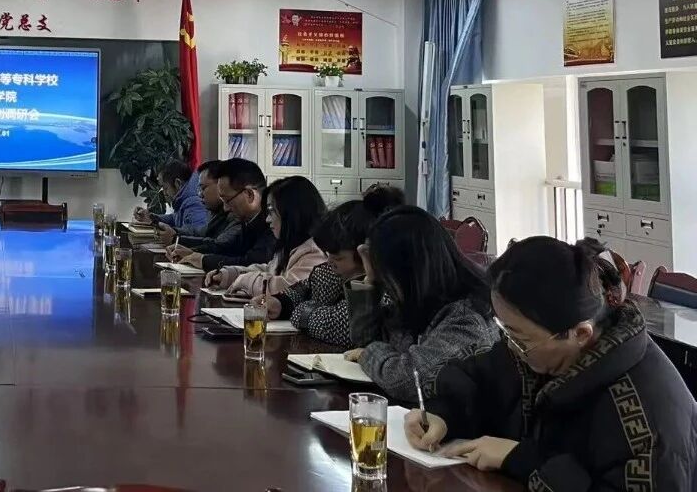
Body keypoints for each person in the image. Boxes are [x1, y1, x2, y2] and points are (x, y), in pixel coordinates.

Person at [407, 237, 697, 489]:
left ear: (580, 334)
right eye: (506, 332)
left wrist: (521, 459)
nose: (512, 347)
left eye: (520, 339)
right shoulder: (542, 347)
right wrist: (443, 414)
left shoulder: (645, 424)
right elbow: (481, 379)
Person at [342, 205, 495, 403]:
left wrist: (367, 354)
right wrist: (370, 282)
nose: (386, 286)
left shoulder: (467, 319)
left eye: (386, 277)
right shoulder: (420, 303)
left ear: (409, 273)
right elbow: (365, 340)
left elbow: (409, 380)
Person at [255, 185, 403, 345]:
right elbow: (303, 288)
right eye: (328, 254)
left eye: (338, 258)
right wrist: (280, 303)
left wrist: (302, 311)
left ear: (366, 254)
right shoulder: (329, 274)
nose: (329, 261)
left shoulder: (387, 289)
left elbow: (342, 327)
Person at [204, 174, 326, 297]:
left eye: (271, 211)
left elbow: (289, 289)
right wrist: (230, 275)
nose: (267, 219)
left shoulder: (314, 252)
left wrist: (245, 280)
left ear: (292, 213)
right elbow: (270, 270)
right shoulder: (290, 246)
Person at [164, 159, 277, 272]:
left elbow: (250, 264)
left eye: (228, 200)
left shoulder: (275, 222)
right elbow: (226, 248)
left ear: (249, 194)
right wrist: (192, 253)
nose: (225, 208)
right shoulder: (249, 220)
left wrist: (202, 259)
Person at [156, 160, 237, 248]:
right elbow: (199, 233)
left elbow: (218, 245)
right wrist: (173, 232)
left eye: (203, 188)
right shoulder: (217, 212)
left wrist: (175, 239)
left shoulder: (238, 217)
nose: (200, 194)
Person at [133, 158, 209, 236]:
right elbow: (174, 218)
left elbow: (195, 236)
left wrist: (168, 232)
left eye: (165, 188)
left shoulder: (194, 203)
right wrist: (151, 217)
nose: (164, 193)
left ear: (177, 183)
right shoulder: (185, 198)